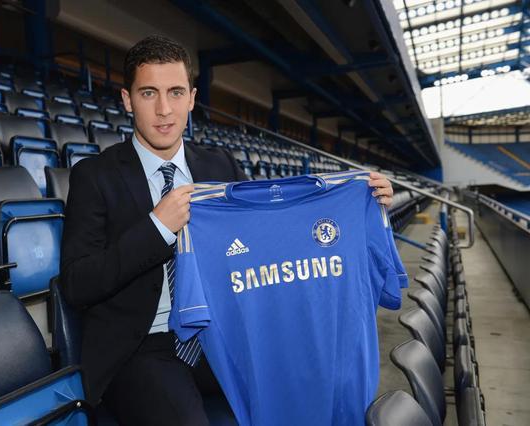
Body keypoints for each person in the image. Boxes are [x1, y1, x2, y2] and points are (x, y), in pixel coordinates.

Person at [60, 35, 394, 426]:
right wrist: (157, 227)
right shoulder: (94, 176)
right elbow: (78, 284)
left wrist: (360, 204)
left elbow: (271, 238)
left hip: (223, 334)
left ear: (192, 98)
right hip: (142, 346)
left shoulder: (220, 167)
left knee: (312, 377)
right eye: (149, 93)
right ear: (127, 100)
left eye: (175, 92)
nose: (164, 109)